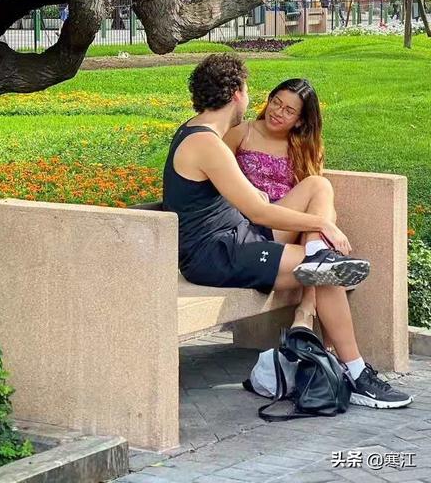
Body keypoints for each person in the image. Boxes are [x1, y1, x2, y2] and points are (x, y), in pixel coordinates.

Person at [162, 53, 412, 408]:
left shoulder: (201, 134)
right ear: (236, 93)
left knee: (316, 190)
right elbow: (257, 209)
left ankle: (317, 256)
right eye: (247, 90)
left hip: (237, 237)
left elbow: (246, 201)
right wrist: (322, 223)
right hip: (217, 254)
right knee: (326, 274)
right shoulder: (207, 143)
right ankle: (357, 376)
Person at [224, 79, 323, 332]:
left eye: (289, 110)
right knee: (319, 190)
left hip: (287, 229)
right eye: (276, 102)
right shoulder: (241, 133)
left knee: (318, 191)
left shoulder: (304, 145)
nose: (277, 112)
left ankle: (308, 303)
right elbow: (216, 184)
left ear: (300, 120)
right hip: (250, 228)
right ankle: (307, 308)